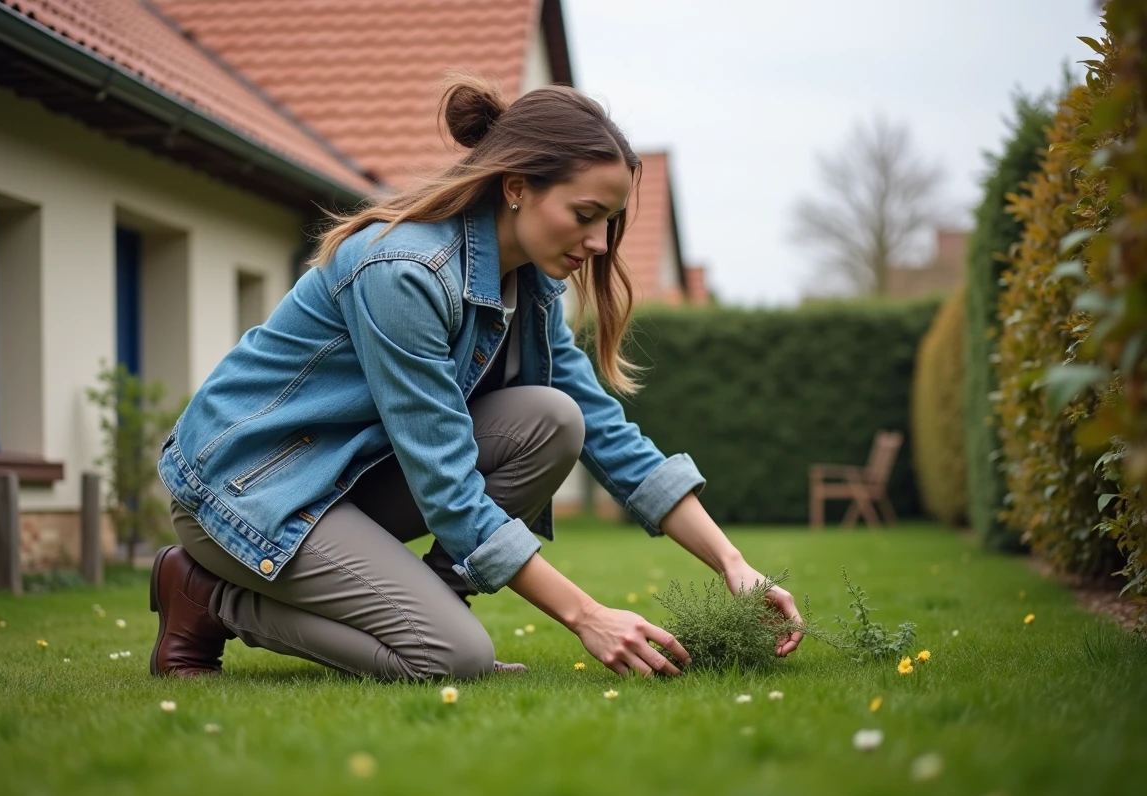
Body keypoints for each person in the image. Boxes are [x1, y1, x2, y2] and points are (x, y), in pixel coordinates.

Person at [149, 74, 804, 682]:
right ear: (516, 187)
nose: (601, 243)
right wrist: (587, 615)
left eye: (611, 221)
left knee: (557, 420)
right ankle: (208, 595)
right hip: (247, 492)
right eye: (585, 215)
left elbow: (603, 429)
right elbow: (447, 483)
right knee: (452, 658)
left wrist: (734, 564)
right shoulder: (405, 273)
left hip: (345, 476)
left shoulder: (532, 281)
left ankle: (432, 611)